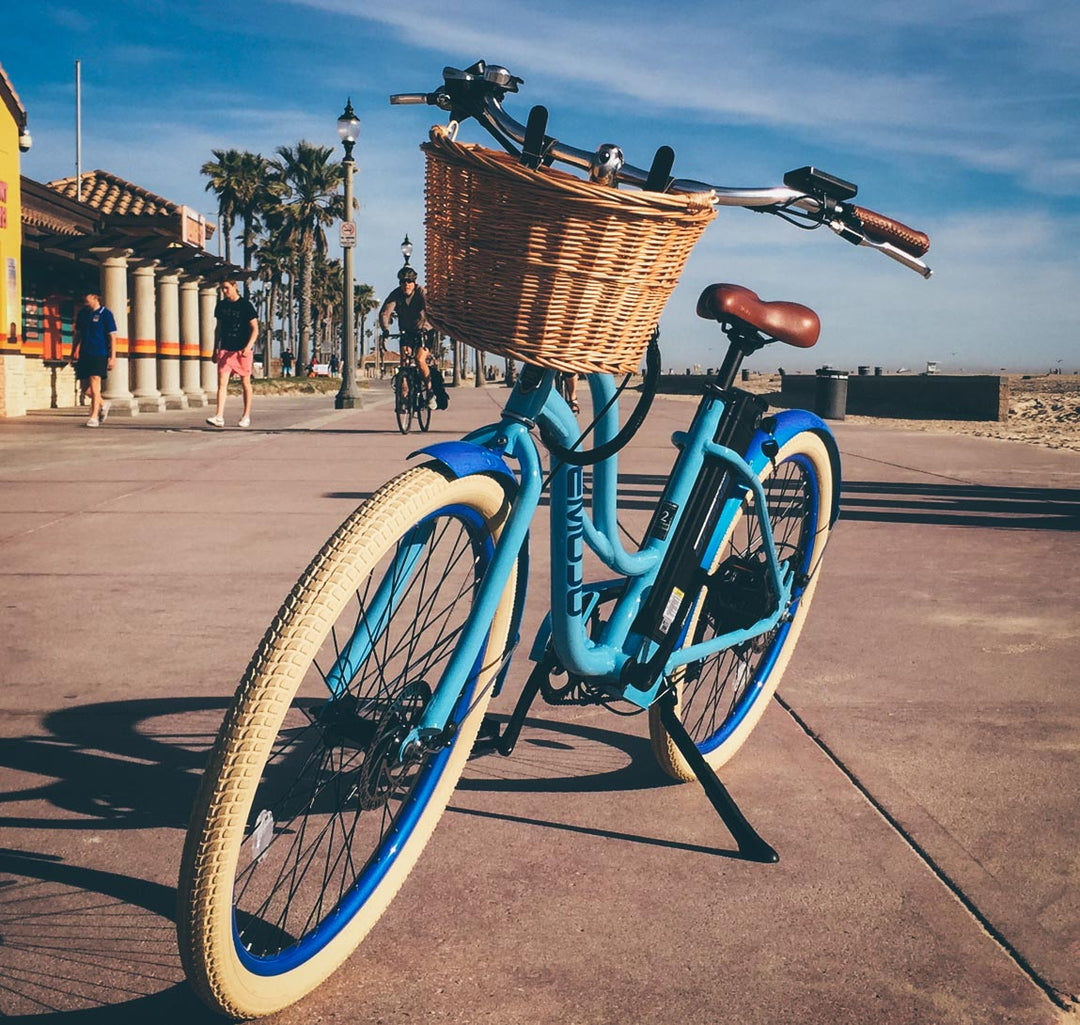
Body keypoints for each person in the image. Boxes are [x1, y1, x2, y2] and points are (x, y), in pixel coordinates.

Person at [379, 266, 435, 405]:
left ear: (414, 282)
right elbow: (385, 312)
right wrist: (385, 330)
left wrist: (428, 325)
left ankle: (429, 391)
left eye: (409, 281)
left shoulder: (421, 292)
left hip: (424, 331)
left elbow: (430, 307)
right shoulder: (396, 294)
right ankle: (404, 395)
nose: (406, 285)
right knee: (404, 362)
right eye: (403, 282)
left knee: (419, 359)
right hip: (407, 332)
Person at [207, 279, 258, 428]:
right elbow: (218, 328)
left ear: (235, 287)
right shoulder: (221, 306)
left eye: (226, 288)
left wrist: (248, 347)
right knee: (222, 383)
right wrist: (215, 349)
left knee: (245, 382)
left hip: (242, 349)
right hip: (226, 349)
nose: (224, 291)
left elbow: (255, 328)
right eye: (222, 288)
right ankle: (219, 416)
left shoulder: (245, 305)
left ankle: (246, 415)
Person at [71, 292, 117, 428]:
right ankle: (103, 403)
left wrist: (112, 357)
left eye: (88, 299)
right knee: (85, 389)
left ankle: (93, 416)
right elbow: (78, 334)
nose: (86, 302)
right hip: (85, 353)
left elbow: (112, 337)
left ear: (95, 298)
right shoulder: (83, 314)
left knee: (95, 386)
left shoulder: (106, 314)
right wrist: (73, 351)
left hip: (99, 353)